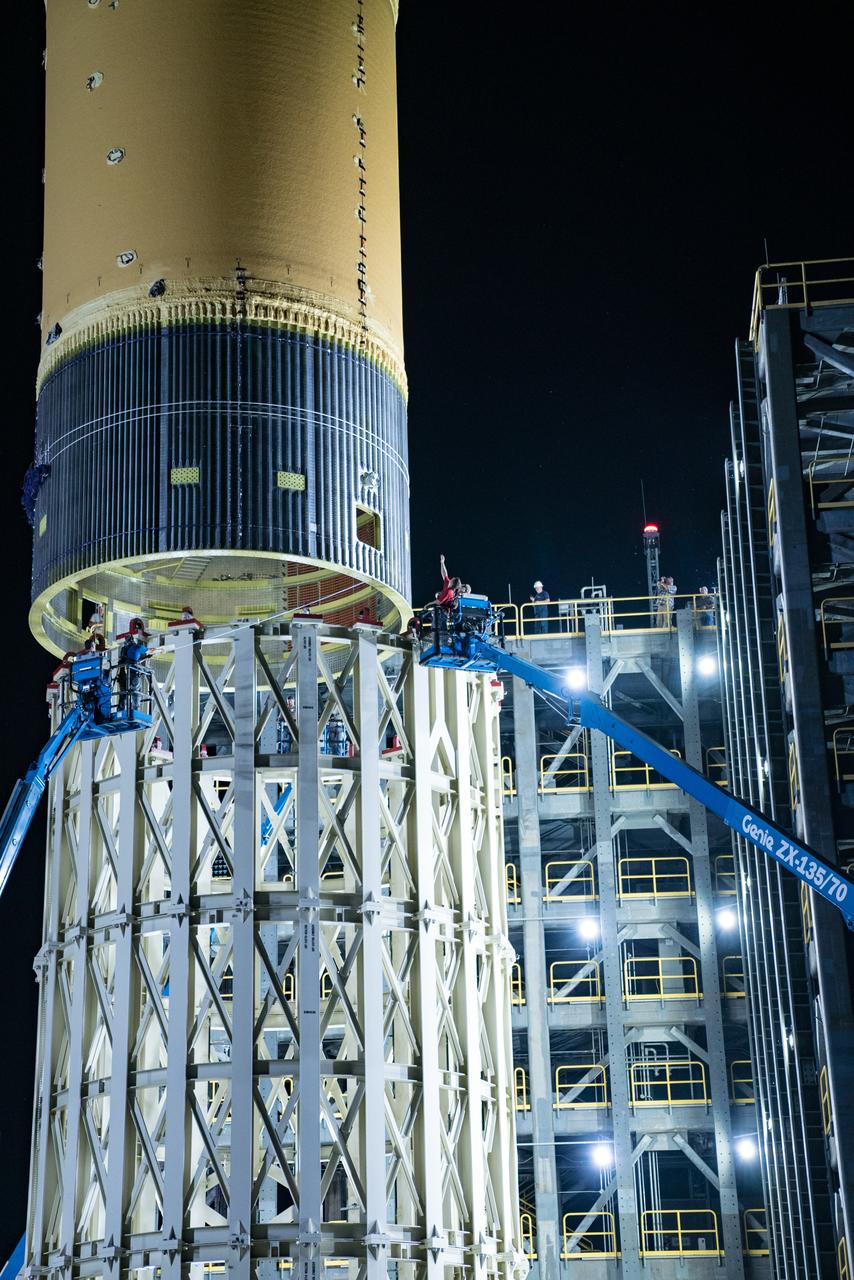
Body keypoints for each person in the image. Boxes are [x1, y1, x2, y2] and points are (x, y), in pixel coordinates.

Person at [117, 617, 150, 714]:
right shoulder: (136, 647)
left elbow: (123, 660)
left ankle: (121, 711)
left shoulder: (123, 649)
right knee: (136, 692)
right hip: (133, 675)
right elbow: (146, 650)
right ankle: (135, 711)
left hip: (123, 675)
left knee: (123, 694)